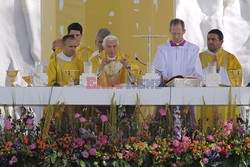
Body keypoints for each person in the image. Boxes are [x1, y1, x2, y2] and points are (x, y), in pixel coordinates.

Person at [153, 18, 203, 138]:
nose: (176, 36)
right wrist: (163, 77)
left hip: (186, 92)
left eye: (179, 33)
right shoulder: (162, 49)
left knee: (187, 125)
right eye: (173, 33)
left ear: (184, 31)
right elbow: (158, 69)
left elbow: (196, 72)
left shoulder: (193, 49)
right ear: (170, 31)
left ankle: (187, 145)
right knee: (164, 126)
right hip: (167, 91)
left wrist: (188, 78)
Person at [196, 29, 243, 132]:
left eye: (213, 39)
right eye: (208, 39)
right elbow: (194, 77)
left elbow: (237, 79)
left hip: (224, 101)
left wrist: (219, 70)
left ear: (221, 41)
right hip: (204, 100)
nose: (210, 42)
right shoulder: (199, 57)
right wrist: (208, 70)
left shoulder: (230, 58)